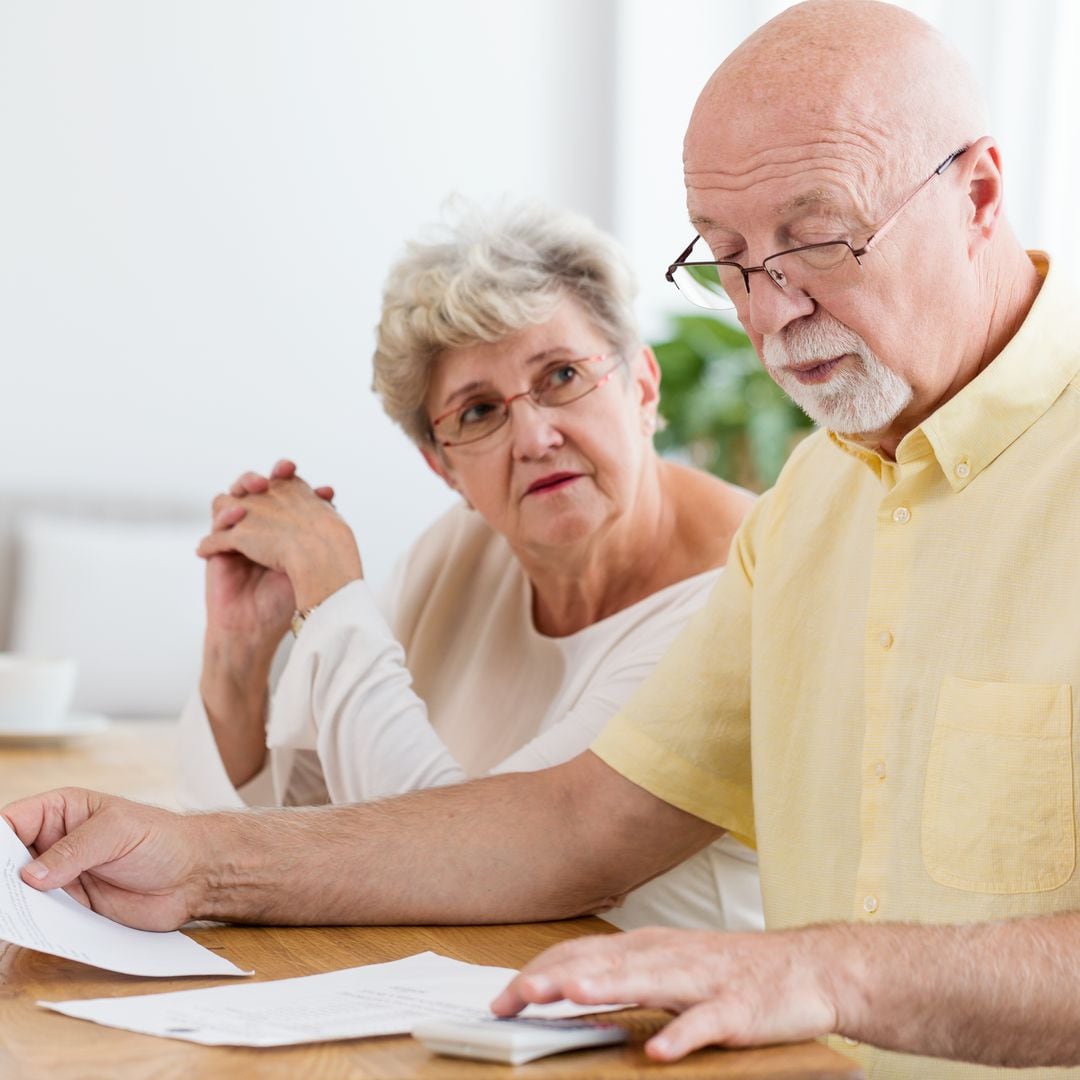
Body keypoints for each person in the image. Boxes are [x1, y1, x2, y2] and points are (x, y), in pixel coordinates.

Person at [6, 2, 1080, 1076]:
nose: (771, 310)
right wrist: (196, 862)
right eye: (729, 259)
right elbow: (574, 826)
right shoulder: (814, 505)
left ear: (978, 192)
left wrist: (821, 972)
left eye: (813, 236)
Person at [176, 202, 762, 933]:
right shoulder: (461, 550)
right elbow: (313, 817)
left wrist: (333, 597)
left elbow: (465, 870)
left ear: (641, 386)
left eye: (561, 375)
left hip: (665, 1029)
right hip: (469, 1005)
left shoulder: (746, 588)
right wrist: (238, 655)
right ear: (442, 465)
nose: (536, 436)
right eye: (479, 413)